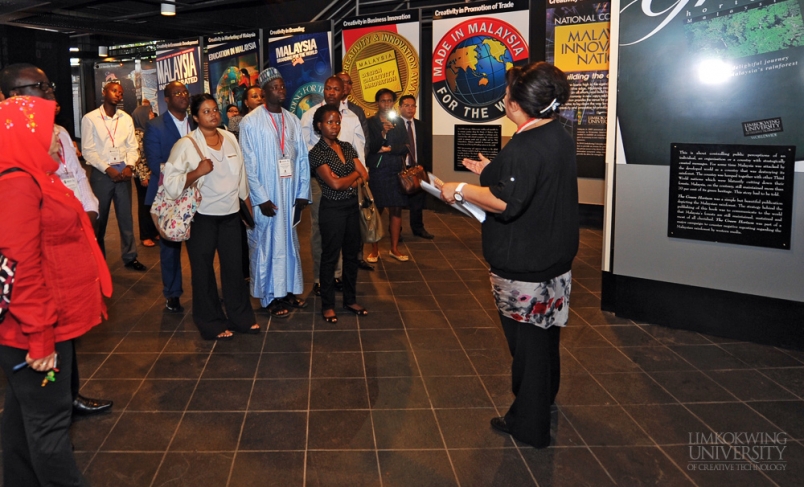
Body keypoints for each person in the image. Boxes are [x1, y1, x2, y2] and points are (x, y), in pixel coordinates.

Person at [438, 62, 578, 449]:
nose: (503, 97)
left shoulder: (526, 146)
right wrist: (489, 169)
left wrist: (461, 188)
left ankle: (529, 425)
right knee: (547, 339)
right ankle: (544, 400)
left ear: (516, 104)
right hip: (554, 262)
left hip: (525, 269)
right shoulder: (556, 134)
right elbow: (524, 180)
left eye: (508, 92)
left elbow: (505, 201)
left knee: (528, 351)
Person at [0, 95, 113, 486]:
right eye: (48, 128)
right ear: (26, 133)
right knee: (50, 428)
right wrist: (40, 337)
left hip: (42, 324)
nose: (57, 136)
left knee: (20, 419)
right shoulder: (16, 182)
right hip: (36, 330)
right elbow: (21, 269)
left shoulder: (35, 174)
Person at [162, 94, 259, 340]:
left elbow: (242, 177)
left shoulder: (229, 138)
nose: (213, 114)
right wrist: (196, 172)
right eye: (206, 111)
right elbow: (171, 185)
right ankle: (210, 322)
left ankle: (241, 317)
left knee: (234, 270)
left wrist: (248, 206)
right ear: (195, 117)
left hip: (230, 216)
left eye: (215, 109)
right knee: (203, 271)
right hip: (201, 218)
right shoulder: (186, 144)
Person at [240, 67, 311, 317]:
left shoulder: (292, 120)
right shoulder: (250, 122)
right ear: (264, 91)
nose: (281, 90)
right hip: (267, 197)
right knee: (266, 246)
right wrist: (260, 199)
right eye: (275, 87)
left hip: (290, 194)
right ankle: (269, 297)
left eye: (282, 86)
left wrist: (302, 193)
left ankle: (288, 291)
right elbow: (248, 163)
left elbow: (302, 157)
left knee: (290, 245)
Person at [301, 76, 367, 295]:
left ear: (344, 92)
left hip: (351, 180)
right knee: (322, 229)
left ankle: (337, 276)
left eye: (335, 89)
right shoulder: (311, 115)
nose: (331, 92)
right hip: (321, 180)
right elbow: (306, 150)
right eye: (327, 88)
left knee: (346, 230)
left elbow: (359, 149)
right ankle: (321, 277)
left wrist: (361, 177)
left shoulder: (352, 117)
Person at [308, 104, 370, 323]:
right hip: (332, 210)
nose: (334, 126)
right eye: (329, 122)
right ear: (319, 125)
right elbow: (334, 184)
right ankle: (327, 305)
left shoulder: (346, 146)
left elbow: (364, 175)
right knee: (330, 257)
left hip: (352, 208)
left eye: (337, 122)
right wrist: (353, 176)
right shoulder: (316, 153)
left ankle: (350, 299)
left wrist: (351, 178)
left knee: (352, 256)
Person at [81, 80, 147, 270]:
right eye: (114, 91)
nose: (118, 94)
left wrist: (129, 166)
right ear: (104, 93)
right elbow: (88, 151)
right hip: (103, 175)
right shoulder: (91, 119)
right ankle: (98, 259)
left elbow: (132, 147)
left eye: (120, 92)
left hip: (124, 173)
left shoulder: (125, 118)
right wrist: (107, 169)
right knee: (100, 219)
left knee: (126, 217)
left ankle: (130, 256)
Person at [144, 81, 194, 313]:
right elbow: (156, 164)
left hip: (198, 195)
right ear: (167, 98)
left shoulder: (196, 123)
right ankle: (172, 294)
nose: (183, 96)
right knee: (170, 250)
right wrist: (187, 175)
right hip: (169, 196)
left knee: (199, 247)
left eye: (185, 92)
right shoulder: (156, 126)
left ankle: (204, 290)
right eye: (177, 93)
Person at [366, 88, 410, 263]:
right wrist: (382, 133)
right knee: (376, 210)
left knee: (396, 209)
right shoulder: (371, 123)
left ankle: (394, 249)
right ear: (378, 103)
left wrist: (390, 149)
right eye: (383, 101)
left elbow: (406, 146)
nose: (386, 104)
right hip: (378, 171)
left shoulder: (399, 121)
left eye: (390, 101)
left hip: (396, 171)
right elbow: (370, 147)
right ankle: (374, 250)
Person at [398, 94, 434, 239]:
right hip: (400, 168)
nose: (410, 108)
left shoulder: (421, 126)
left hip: (418, 169)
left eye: (413, 105)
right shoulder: (394, 126)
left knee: (418, 202)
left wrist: (426, 169)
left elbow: (427, 149)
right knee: (398, 203)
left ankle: (418, 228)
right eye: (406, 105)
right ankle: (396, 231)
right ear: (400, 107)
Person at [132, 104, 159, 247]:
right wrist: (143, 176)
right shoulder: (137, 134)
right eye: (149, 113)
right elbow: (138, 158)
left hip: (153, 173)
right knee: (144, 205)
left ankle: (154, 231)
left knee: (153, 204)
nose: (152, 114)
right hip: (144, 176)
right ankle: (145, 236)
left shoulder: (149, 131)